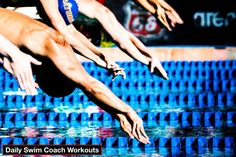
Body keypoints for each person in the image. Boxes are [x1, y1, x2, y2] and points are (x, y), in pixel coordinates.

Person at [0, 8, 150, 144]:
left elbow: (86, 84)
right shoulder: (54, 47)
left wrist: (117, 114)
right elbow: (91, 87)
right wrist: (128, 110)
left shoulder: (52, 43)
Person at [39, 0, 168, 80]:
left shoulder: (99, 12)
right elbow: (122, 41)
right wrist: (147, 60)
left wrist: (150, 58)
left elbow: (126, 36)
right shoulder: (98, 12)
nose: (88, 39)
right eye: (91, 38)